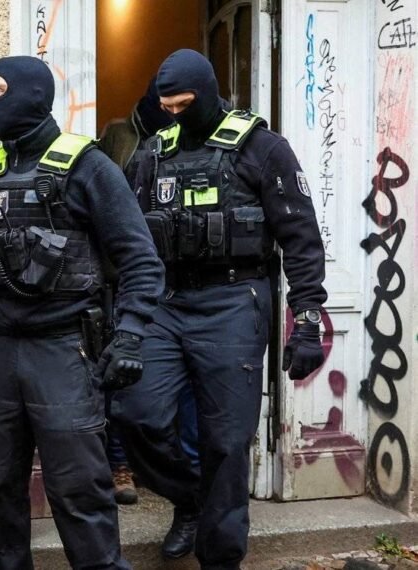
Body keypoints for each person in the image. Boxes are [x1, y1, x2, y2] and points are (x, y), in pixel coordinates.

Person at [0, 55, 163, 570]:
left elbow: (141, 261)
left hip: (65, 349)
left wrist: (129, 334)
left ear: (30, 95)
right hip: (0, 351)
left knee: (78, 489)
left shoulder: (89, 167)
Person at [111, 49, 327, 567]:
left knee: (227, 445)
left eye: (185, 105)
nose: (175, 117)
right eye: (166, 107)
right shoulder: (152, 153)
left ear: (207, 95)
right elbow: (129, 240)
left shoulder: (262, 149)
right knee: (133, 413)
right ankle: (191, 500)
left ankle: (220, 555)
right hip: (167, 302)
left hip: (235, 301)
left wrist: (309, 316)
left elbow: (300, 237)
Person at [98, 75, 201, 505]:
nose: (173, 110)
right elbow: (102, 206)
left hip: (183, 281)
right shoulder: (118, 136)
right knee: (123, 380)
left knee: (185, 390)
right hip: (123, 277)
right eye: (166, 101)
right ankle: (121, 464)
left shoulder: (197, 142)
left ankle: (190, 488)